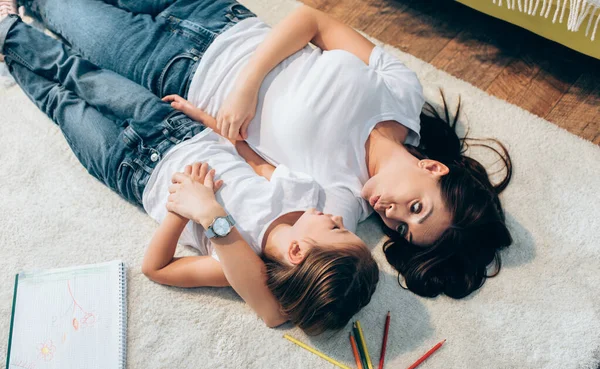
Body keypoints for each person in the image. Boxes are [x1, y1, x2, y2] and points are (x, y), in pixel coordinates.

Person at [5, 0, 513, 299]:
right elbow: (312, 20)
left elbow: (280, 270)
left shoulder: (342, 205)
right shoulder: (403, 94)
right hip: (220, 18)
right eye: (417, 208)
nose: (393, 214)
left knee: (60, 7)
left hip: (175, 72)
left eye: (402, 229)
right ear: (433, 166)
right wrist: (248, 86)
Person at [0, 13, 379, 334]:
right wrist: (206, 119)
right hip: (176, 128)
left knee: (60, 102)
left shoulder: (237, 267)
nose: (337, 216)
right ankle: (12, 30)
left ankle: (7, 36)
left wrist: (183, 212)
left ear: (297, 251)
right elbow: (252, 159)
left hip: (131, 168)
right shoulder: (304, 195)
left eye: (337, 229)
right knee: (82, 75)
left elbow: (157, 268)